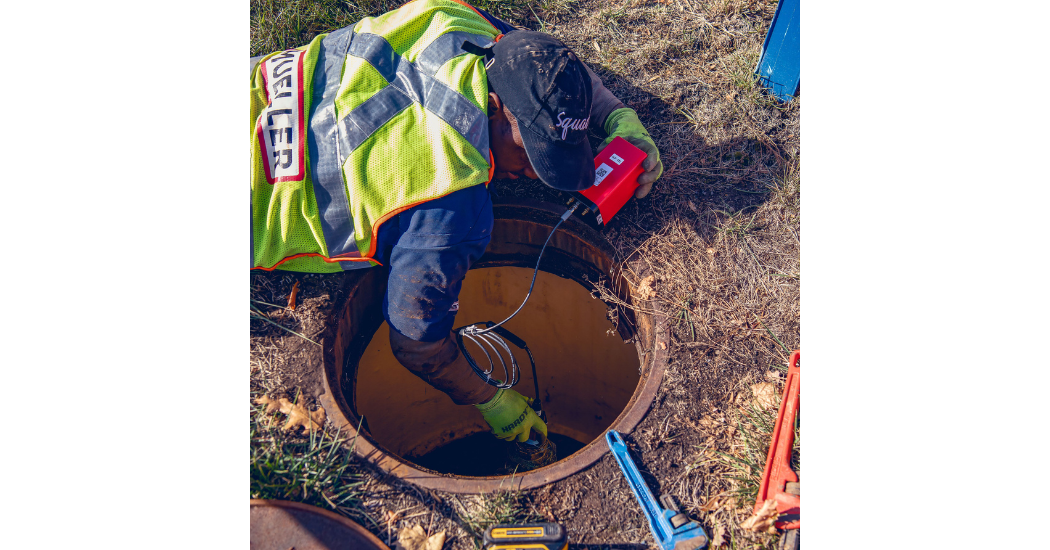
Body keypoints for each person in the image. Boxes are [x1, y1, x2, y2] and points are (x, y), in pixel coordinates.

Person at [250, 0, 663, 443]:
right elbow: (416, 342)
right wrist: (492, 399)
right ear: (491, 105)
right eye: (528, 154)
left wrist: (618, 117)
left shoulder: (446, 17)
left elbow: (548, 59)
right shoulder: (449, 196)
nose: (530, 174)